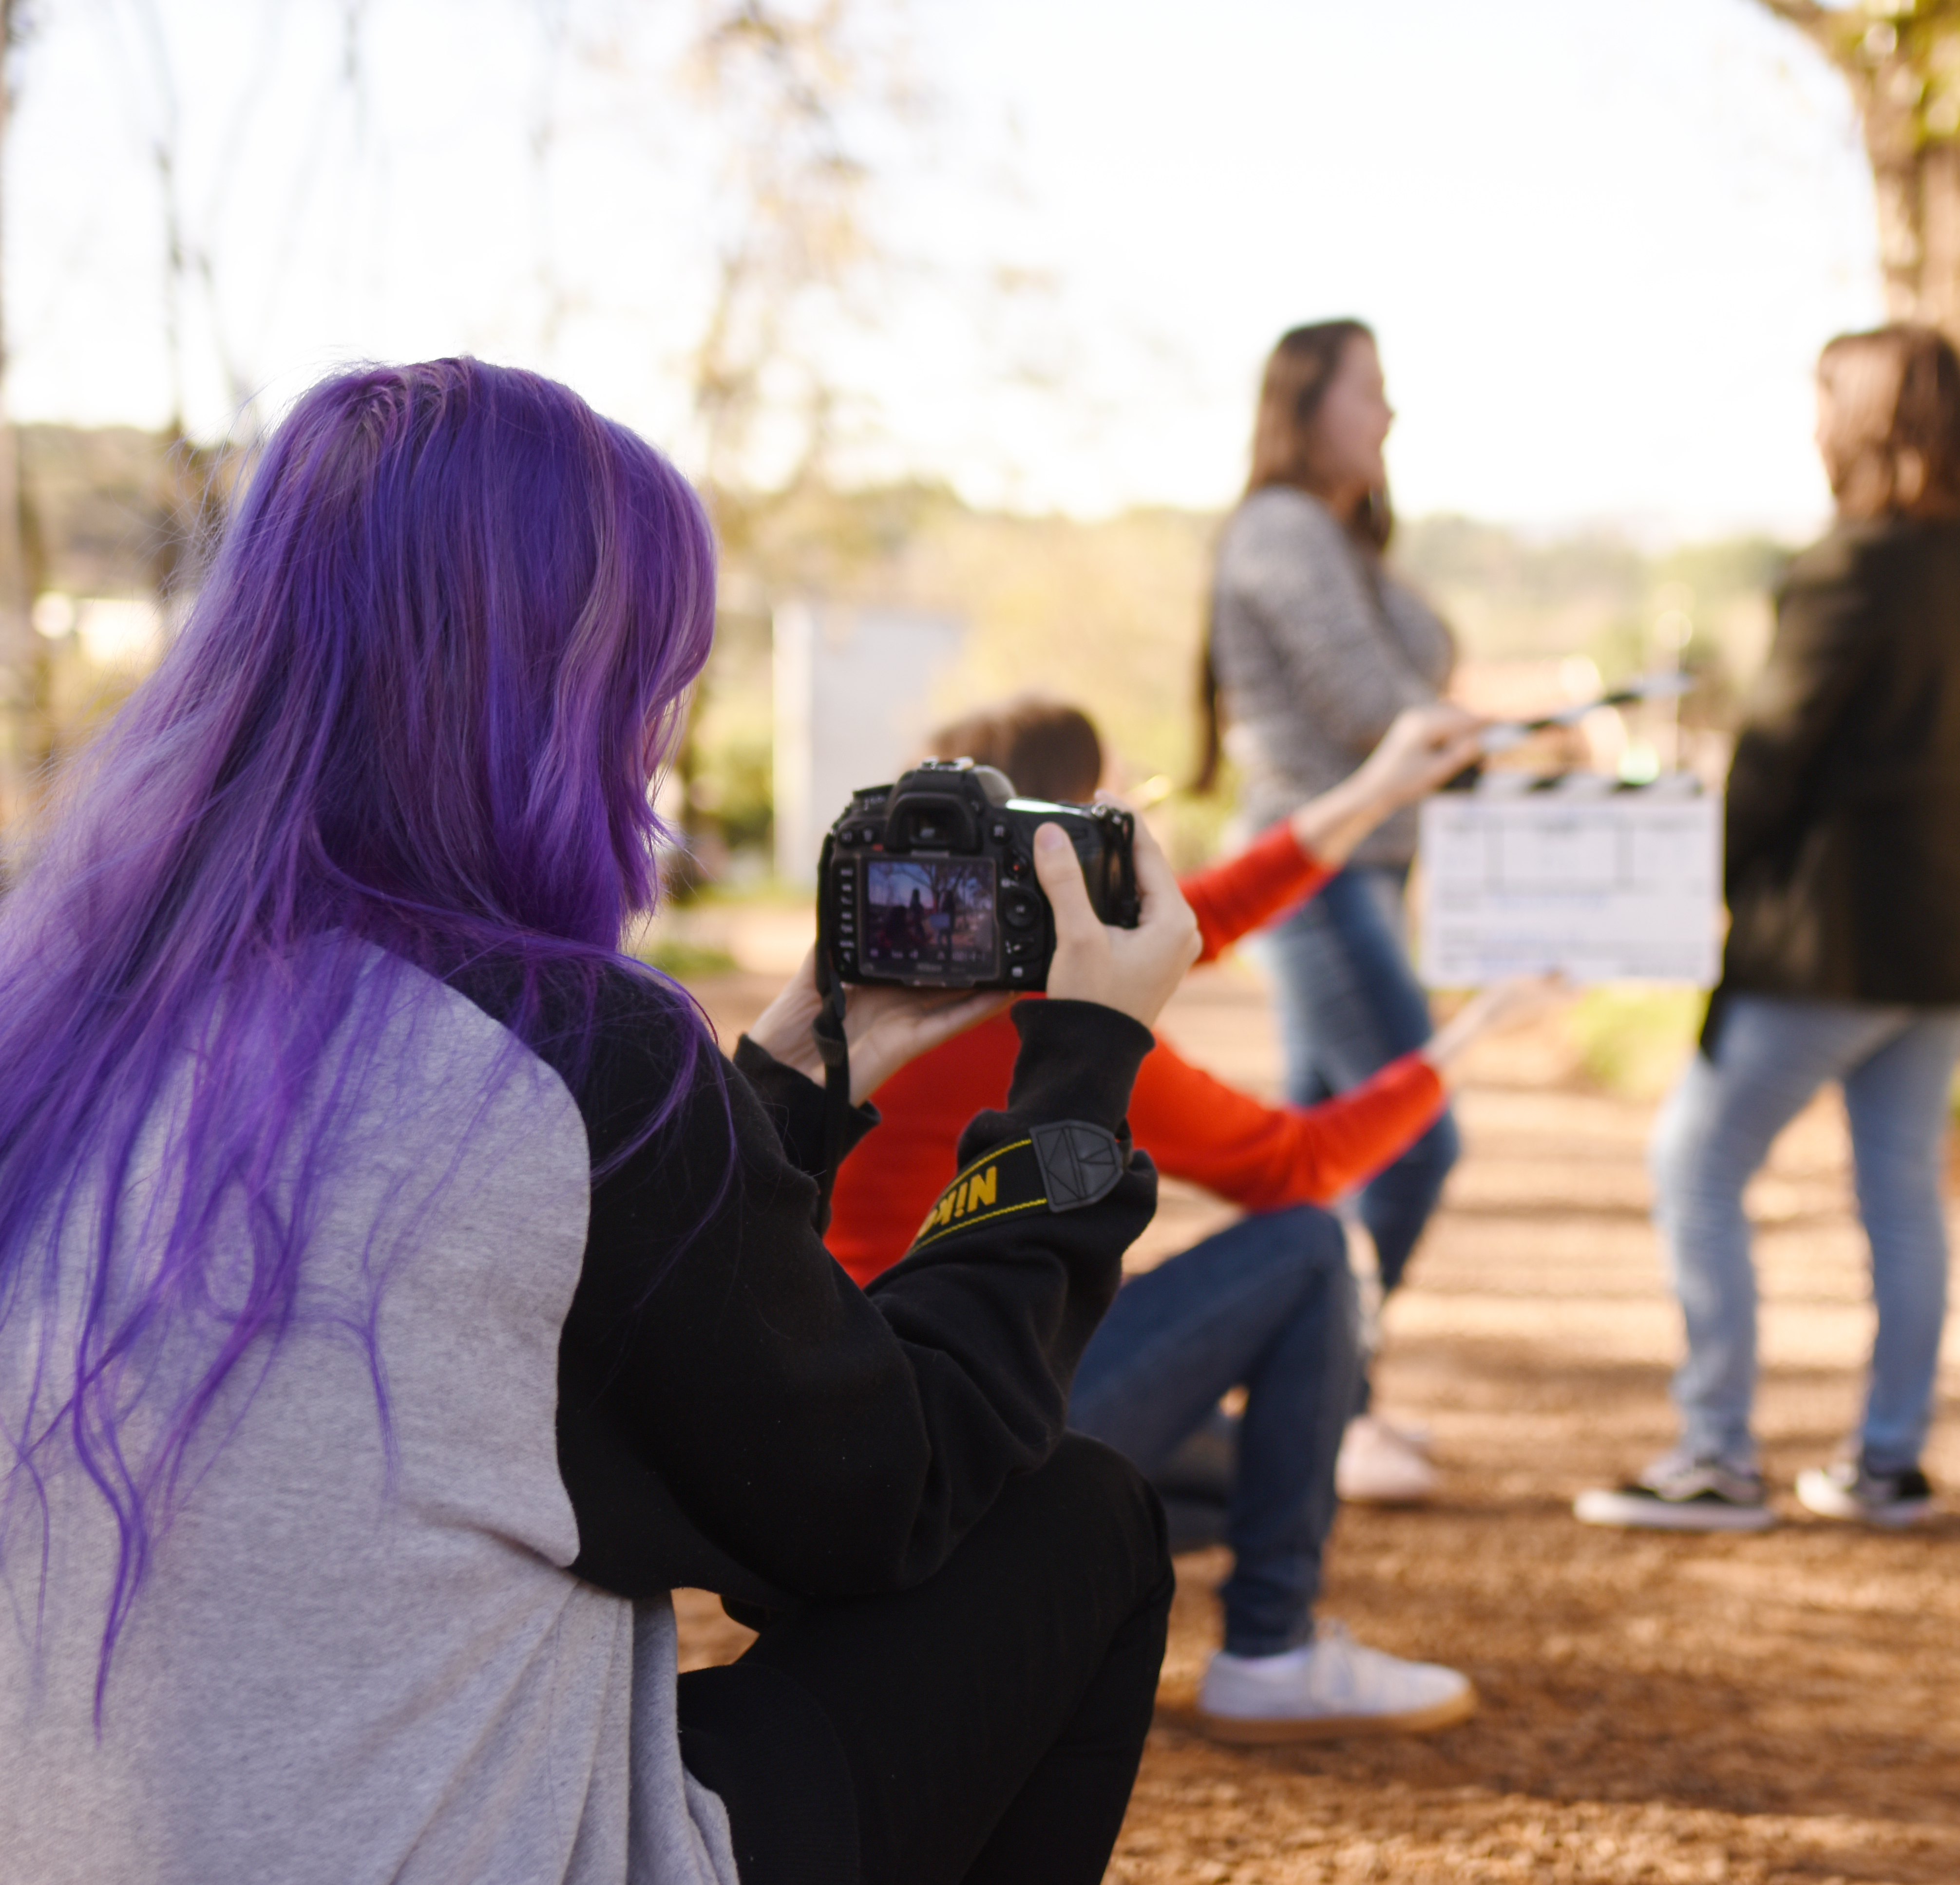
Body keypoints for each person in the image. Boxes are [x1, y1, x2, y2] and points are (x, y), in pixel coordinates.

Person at [0, 359, 1204, 1885]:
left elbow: (588, 1330)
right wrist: (1084, 1069)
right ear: (557, 687)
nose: (661, 725)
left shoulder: (68, 1015)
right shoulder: (566, 1055)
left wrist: (784, 1077)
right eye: (656, 668)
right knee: (1074, 1522)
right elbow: (882, 1491)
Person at [828, 694, 1547, 1741]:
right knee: (1309, 1247)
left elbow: (1201, 915)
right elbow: (1297, 1165)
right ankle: (1271, 1650)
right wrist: (1476, 1032)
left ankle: (985, 1600)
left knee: (1231, 1474)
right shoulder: (1065, 1034)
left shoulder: (889, 974)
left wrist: (1381, 788)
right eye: (1128, 810)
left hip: (865, 1423)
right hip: (987, 1425)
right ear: (1068, 837)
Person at [1576, 324, 1960, 1534]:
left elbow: (1772, 763)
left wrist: (1698, 890)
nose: (1815, 424)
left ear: (1870, 421)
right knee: (1901, 1192)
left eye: (1828, 401)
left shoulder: (1847, 568)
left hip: (1835, 938)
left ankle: (1718, 1455)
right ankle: (1889, 1463)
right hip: (1956, 934)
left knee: (1698, 1162)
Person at [1193, 319, 1458, 1489]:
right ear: (1306, 403)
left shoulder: (1338, 538)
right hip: (1315, 872)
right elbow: (1369, 703)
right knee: (1415, 1135)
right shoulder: (1284, 531)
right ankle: (1319, 1391)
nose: (1390, 414)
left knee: (1313, 1158)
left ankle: (1319, 1407)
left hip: (1369, 865)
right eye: (1373, 392)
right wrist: (1492, 733)